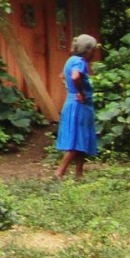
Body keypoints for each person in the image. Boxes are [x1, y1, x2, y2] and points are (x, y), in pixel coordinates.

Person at [54, 33, 99, 181]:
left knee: (81, 140)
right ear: (88, 50)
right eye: (93, 50)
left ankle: (79, 174)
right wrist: (79, 92)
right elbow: (75, 76)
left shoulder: (70, 60)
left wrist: (70, 89)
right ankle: (59, 172)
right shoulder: (79, 61)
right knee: (75, 140)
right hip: (79, 106)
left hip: (73, 104)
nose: (94, 53)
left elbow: (62, 76)